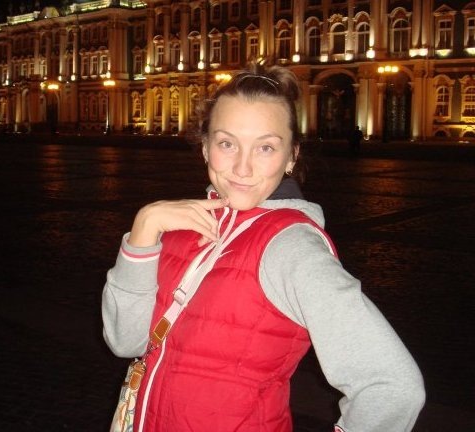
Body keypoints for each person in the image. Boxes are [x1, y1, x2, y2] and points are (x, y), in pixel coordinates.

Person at [102, 66, 425, 432]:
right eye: (227, 144)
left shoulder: (290, 248)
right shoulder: (179, 228)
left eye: (266, 147)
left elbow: (392, 385)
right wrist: (144, 229)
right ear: (205, 147)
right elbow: (126, 341)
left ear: (291, 157)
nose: (242, 167)